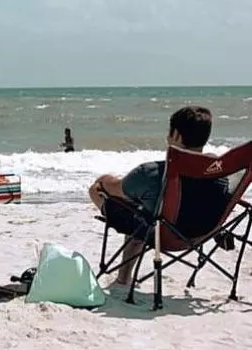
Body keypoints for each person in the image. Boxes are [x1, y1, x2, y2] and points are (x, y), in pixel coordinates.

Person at [89, 105, 228, 286]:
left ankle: (123, 278)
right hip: (203, 233)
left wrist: (102, 181)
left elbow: (115, 189)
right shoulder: (220, 172)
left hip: (162, 235)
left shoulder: (150, 173)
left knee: (103, 194)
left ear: (176, 135)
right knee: (145, 206)